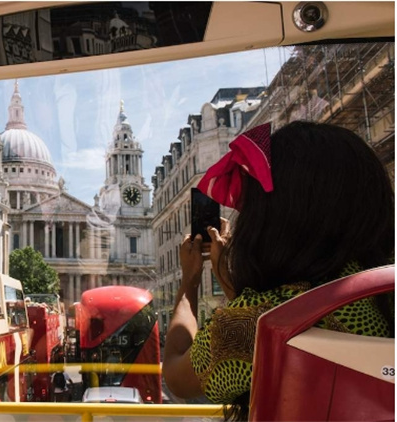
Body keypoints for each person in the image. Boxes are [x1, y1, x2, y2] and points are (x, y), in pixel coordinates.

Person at [162, 121, 394, 420]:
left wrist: (190, 281)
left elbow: (177, 377)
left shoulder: (255, 322)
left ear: (273, 218)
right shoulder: (379, 291)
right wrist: (231, 283)